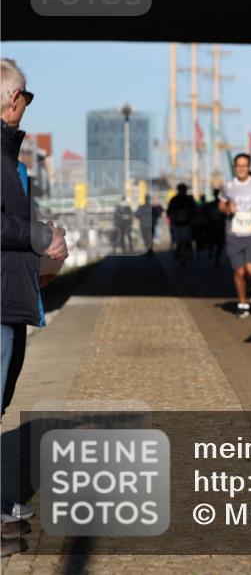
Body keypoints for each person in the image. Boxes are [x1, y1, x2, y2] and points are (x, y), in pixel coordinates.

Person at [1, 58, 67, 555]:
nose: (26, 104)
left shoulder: (10, 159)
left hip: (12, 295)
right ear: (9, 100)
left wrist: (44, 250)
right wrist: (40, 235)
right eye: (26, 96)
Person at [219, 153, 251, 319]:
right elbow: (221, 204)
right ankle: (242, 302)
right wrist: (227, 209)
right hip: (234, 234)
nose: (241, 168)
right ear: (235, 167)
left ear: (249, 167)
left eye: (244, 165)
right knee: (239, 272)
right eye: (238, 165)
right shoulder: (228, 186)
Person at [167, 184, 196, 265]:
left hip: (186, 224)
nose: (182, 191)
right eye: (181, 189)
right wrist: (173, 218)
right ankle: (181, 255)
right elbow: (169, 212)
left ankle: (184, 256)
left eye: (183, 189)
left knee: (185, 240)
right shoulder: (174, 200)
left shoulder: (188, 200)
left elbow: (194, 211)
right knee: (179, 241)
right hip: (177, 224)